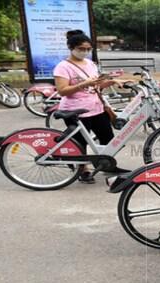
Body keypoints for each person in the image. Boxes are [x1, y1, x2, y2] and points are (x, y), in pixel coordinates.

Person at [53, 32, 122, 183]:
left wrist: (112, 82)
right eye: (81, 48)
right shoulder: (63, 67)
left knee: (107, 138)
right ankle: (82, 170)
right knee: (80, 143)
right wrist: (84, 84)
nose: (84, 52)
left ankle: (106, 164)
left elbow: (96, 85)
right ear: (71, 47)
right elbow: (62, 90)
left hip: (97, 108)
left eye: (88, 49)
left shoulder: (90, 64)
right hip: (75, 110)